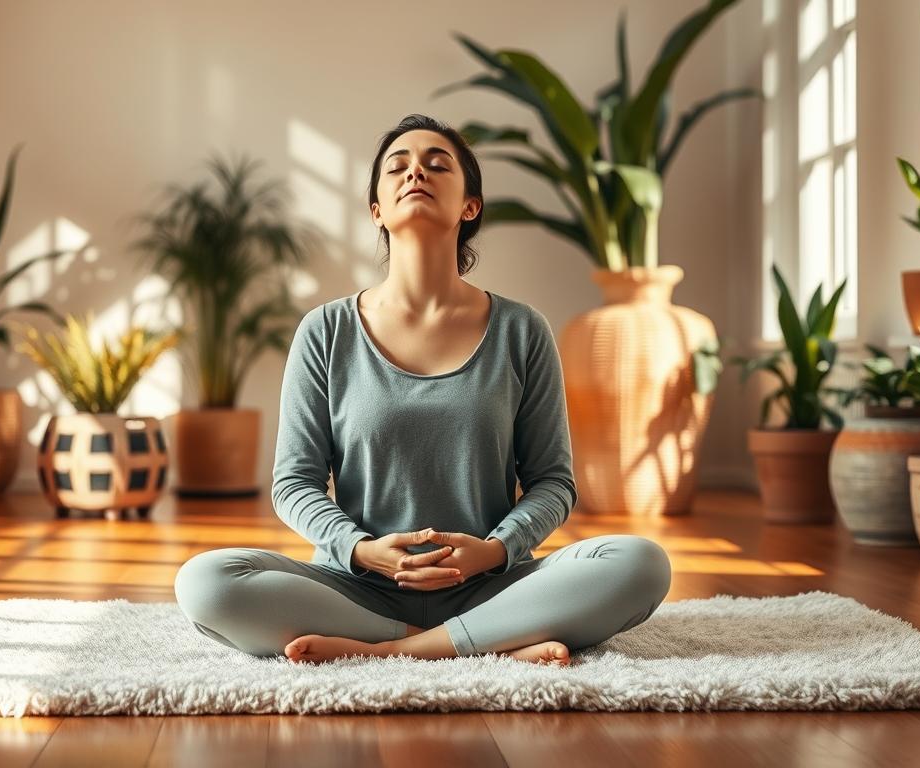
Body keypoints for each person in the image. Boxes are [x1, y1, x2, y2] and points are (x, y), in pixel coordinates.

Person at [173, 114, 672, 666]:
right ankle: (489, 642)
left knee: (641, 563)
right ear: (377, 211)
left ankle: (397, 649)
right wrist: (363, 551)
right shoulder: (326, 331)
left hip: (493, 582)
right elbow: (294, 484)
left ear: (470, 206)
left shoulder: (522, 330)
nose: (417, 173)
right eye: (398, 167)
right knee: (206, 581)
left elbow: (552, 483)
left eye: (438, 164)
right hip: (358, 586)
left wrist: (494, 551)